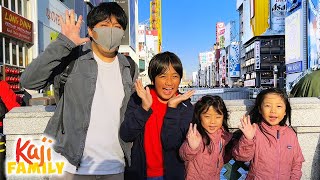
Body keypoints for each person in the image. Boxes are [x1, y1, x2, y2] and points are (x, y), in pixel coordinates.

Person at [20, 2, 138, 179]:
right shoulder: (72, 57)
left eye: (117, 27)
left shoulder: (129, 66)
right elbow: (29, 81)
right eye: (104, 26)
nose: (111, 31)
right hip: (70, 166)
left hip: (115, 166)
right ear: (90, 31)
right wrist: (63, 43)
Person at [120, 51, 194, 180]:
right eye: (163, 76)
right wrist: (144, 108)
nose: (169, 82)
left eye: (175, 76)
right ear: (153, 78)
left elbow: (172, 143)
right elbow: (126, 135)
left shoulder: (185, 107)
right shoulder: (139, 98)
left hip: (171, 175)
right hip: (140, 174)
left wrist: (172, 109)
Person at [232, 88, 304, 179]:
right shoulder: (255, 131)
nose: (273, 110)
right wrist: (248, 139)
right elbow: (241, 157)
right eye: (267, 105)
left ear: (285, 111)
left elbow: (297, 163)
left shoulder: (291, 135)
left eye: (279, 106)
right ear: (260, 109)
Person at [179, 95, 232, 180]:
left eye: (218, 117)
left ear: (223, 117)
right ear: (199, 117)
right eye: (207, 116)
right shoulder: (196, 135)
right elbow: (184, 155)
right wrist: (191, 147)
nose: (213, 122)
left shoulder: (223, 136)